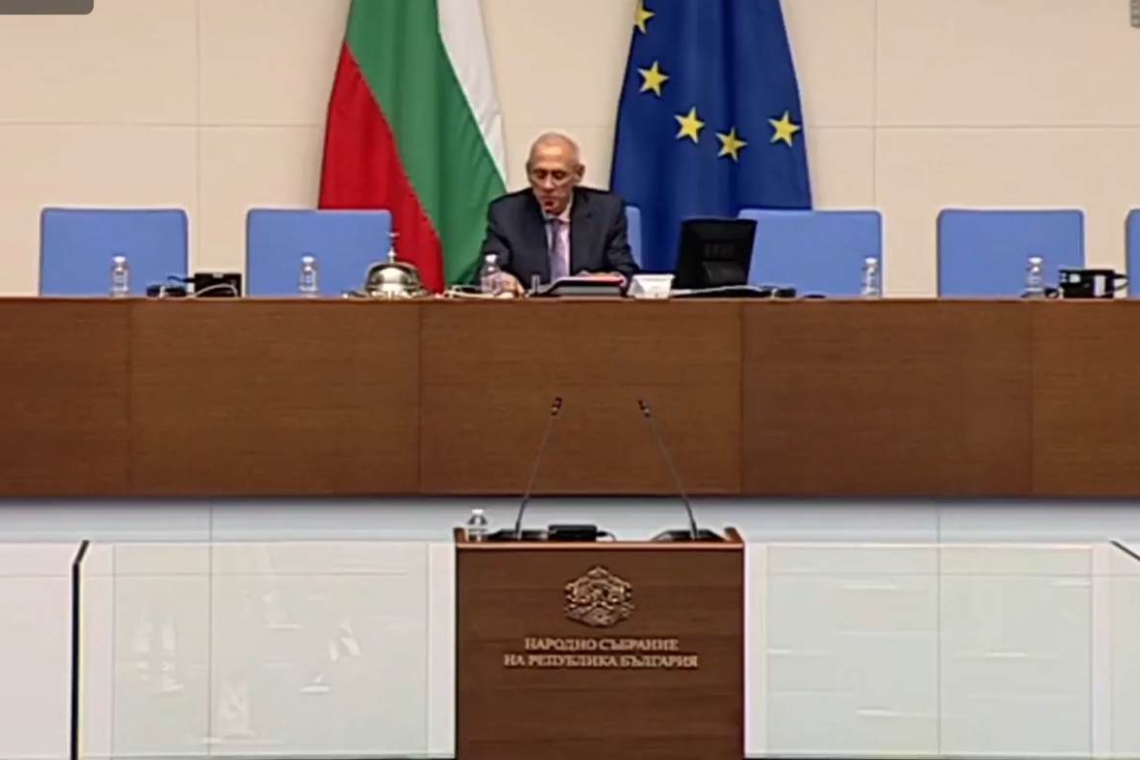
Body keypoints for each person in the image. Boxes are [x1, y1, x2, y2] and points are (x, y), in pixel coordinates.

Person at [480, 132, 639, 294]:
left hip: (587, 305)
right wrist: (500, 279)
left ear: (578, 174)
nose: (547, 186)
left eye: (558, 175)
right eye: (540, 175)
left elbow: (625, 272)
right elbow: (489, 269)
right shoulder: (506, 213)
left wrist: (607, 279)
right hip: (528, 307)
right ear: (528, 173)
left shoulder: (606, 211)